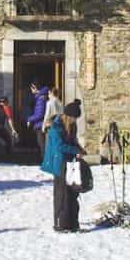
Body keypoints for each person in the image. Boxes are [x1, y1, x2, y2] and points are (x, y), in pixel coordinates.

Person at [41, 99, 85, 232]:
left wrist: (79, 149)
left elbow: (73, 141)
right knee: (62, 195)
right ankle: (61, 223)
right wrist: (76, 150)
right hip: (59, 163)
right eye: (73, 118)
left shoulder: (72, 126)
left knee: (73, 193)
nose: (74, 121)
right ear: (67, 116)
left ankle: (73, 223)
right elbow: (59, 146)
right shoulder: (56, 127)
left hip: (70, 163)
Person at [26, 84, 49, 154]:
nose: (31, 90)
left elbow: (39, 114)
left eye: (32, 89)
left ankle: (45, 162)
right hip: (42, 124)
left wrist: (29, 119)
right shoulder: (41, 97)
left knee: (42, 145)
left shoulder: (40, 99)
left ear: (36, 89)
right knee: (43, 145)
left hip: (40, 124)